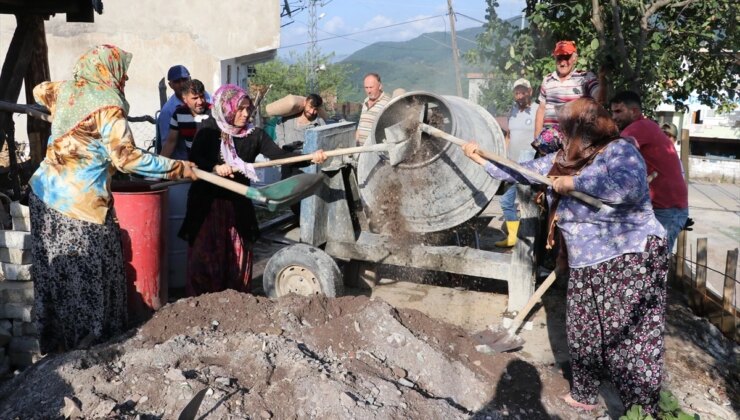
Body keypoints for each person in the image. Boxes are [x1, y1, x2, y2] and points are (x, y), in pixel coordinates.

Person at [463, 98, 668, 415]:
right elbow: (522, 171)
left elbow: (627, 187)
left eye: (565, 130)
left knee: (629, 338)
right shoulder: (563, 160)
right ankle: (585, 393)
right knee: (583, 328)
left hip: (629, 255)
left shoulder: (619, 150)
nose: (560, 136)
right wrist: (481, 160)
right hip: (585, 259)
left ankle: (642, 411)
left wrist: (575, 183)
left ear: (584, 131)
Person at [28, 45, 197, 354]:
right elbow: (127, 158)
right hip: (77, 207)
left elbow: (40, 90)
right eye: (121, 69)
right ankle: (89, 349)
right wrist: (177, 167)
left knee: (59, 275)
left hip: (42, 196)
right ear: (107, 72)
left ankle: (60, 347)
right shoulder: (108, 106)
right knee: (89, 274)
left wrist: (60, 107)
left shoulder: (67, 90)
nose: (127, 75)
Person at [179, 84, 326, 296]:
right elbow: (195, 162)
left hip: (238, 203)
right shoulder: (209, 129)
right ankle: (203, 302)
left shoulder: (253, 134)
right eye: (240, 109)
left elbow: (279, 156)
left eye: (248, 109)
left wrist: (310, 157)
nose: (246, 114)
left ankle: (235, 301)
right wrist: (214, 166)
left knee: (237, 258)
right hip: (208, 206)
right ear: (227, 108)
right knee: (207, 256)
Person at [610, 91, 688, 250]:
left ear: (634, 112)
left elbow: (610, 152)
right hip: (661, 208)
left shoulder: (639, 127)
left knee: (652, 266)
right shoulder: (646, 126)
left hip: (665, 211)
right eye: (612, 112)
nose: (614, 117)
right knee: (644, 265)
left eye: (619, 111)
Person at [533, 40, 604, 156]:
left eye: (567, 57)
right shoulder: (547, 79)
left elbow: (599, 100)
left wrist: (603, 80)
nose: (563, 62)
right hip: (547, 144)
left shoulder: (585, 77)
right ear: (554, 57)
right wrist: (537, 138)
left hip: (574, 144)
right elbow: (541, 109)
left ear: (575, 58)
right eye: (559, 58)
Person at [496, 78, 539, 247]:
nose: (520, 96)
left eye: (523, 92)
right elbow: (509, 136)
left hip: (529, 166)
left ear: (530, 92)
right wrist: (504, 156)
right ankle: (516, 238)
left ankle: (519, 241)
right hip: (512, 165)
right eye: (517, 92)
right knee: (516, 203)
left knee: (509, 202)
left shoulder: (537, 110)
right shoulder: (513, 112)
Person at [160, 79, 211, 159]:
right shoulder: (178, 114)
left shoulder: (214, 112)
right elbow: (170, 143)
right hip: (193, 165)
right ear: (185, 99)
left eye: (201, 96)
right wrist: (158, 165)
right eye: (195, 98)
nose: (200, 102)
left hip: (217, 167)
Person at [157, 65, 192, 144]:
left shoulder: (204, 97)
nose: (182, 84)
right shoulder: (168, 111)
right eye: (177, 81)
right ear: (170, 85)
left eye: (184, 80)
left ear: (190, 80)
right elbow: (167, 143)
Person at [356, 72, 391, 146]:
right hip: (361, 151)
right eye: (366, 87)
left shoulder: (387, 103)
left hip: (375, 152)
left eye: (371, 87)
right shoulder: (365, 101)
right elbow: (360, 126)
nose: (368, 91)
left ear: (380, 86)